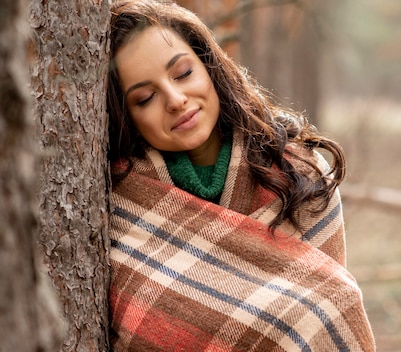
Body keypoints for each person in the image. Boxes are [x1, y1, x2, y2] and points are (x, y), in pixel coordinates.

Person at [106, 0, 376, 351]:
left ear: (209, 65)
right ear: (126, 116)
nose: (175, 99)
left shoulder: (297, 170)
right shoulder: (119, 200)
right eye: (145, 97)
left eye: (184, 73)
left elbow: (326, 311)